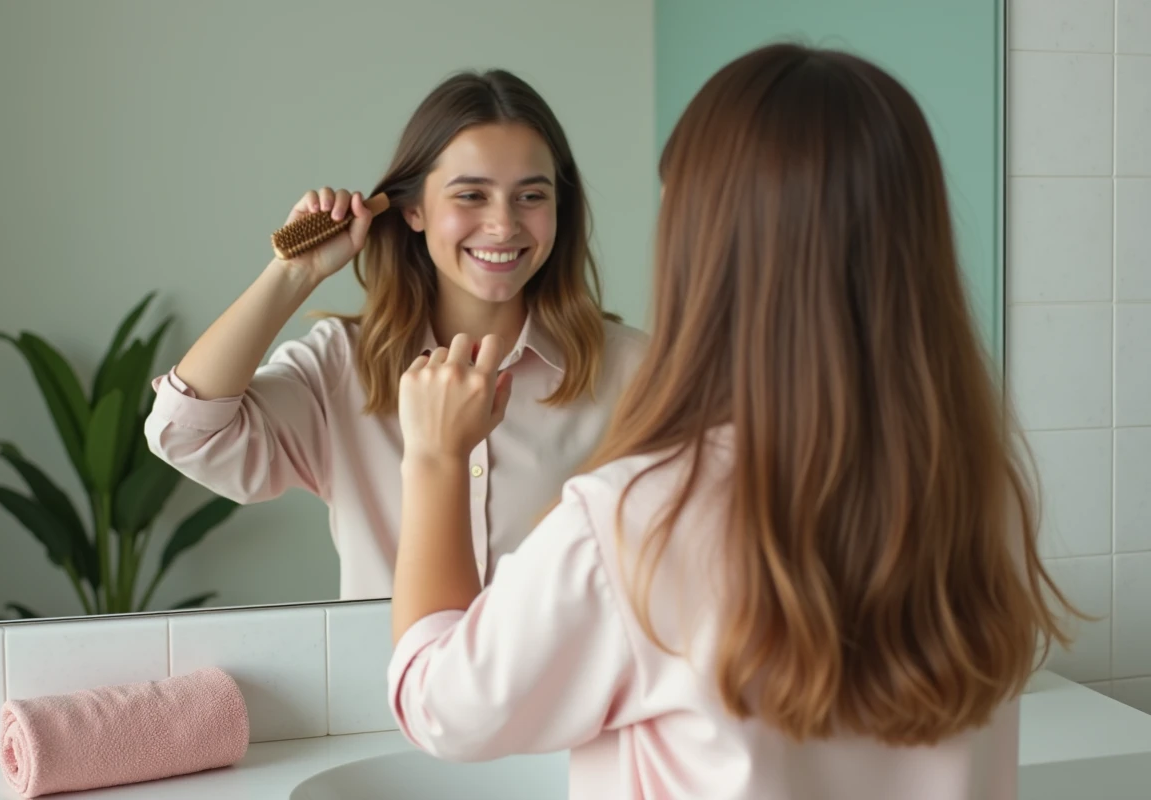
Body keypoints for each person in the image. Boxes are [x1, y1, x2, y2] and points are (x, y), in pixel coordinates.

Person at [387, 43, 1080, 799]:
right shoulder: (979, 495)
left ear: (706, 246)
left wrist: (433, 461)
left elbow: (440, 705)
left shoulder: (634, 522)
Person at [144, 69, 646, 600]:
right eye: (472, 195)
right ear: (413, 210)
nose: (503, 225)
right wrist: (295, 273)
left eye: (530, 197)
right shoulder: (342, 368)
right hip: (382, 686)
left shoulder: (635, 372)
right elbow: (186, 435)